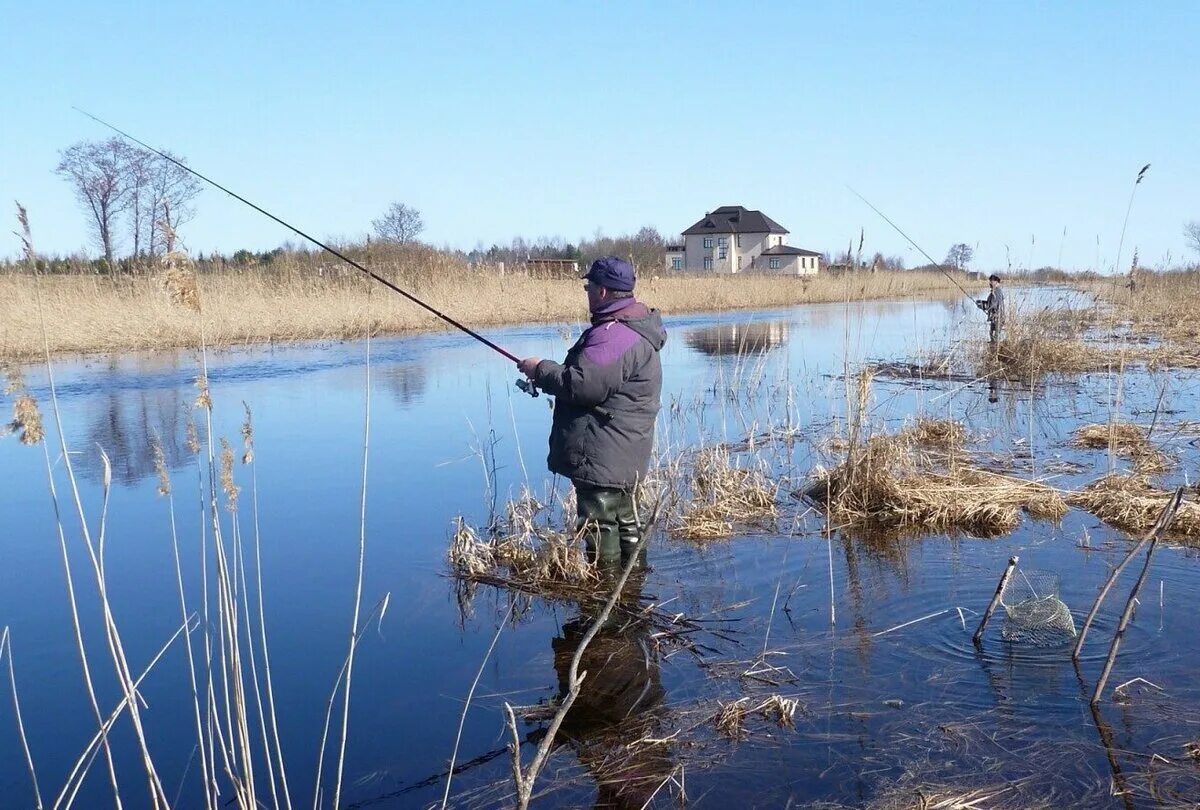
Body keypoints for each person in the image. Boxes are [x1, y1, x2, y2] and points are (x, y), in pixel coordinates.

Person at [517, 256, 666, 566]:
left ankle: (604, 597)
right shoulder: (634, 328)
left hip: (603, 450)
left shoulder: (614, 335)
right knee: (626, 520)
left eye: (589, 286)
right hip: (624, 448)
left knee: (599, 524)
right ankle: (631, 589)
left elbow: (584, 386)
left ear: (602, 292)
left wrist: (540, 369)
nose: (586, 292)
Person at [977, 273, 1005, 344]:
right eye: (990, 281)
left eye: (991, 281)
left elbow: (993, 305)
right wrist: (982, 303)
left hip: (997, 317)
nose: (989, 283)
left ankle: (996, 350)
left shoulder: (997, 291)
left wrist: (983, 306)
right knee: (992, 335)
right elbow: (991, 303)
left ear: (996, 282)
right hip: (995, 317)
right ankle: (993, 348)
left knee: (996, 336)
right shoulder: (994, 291)